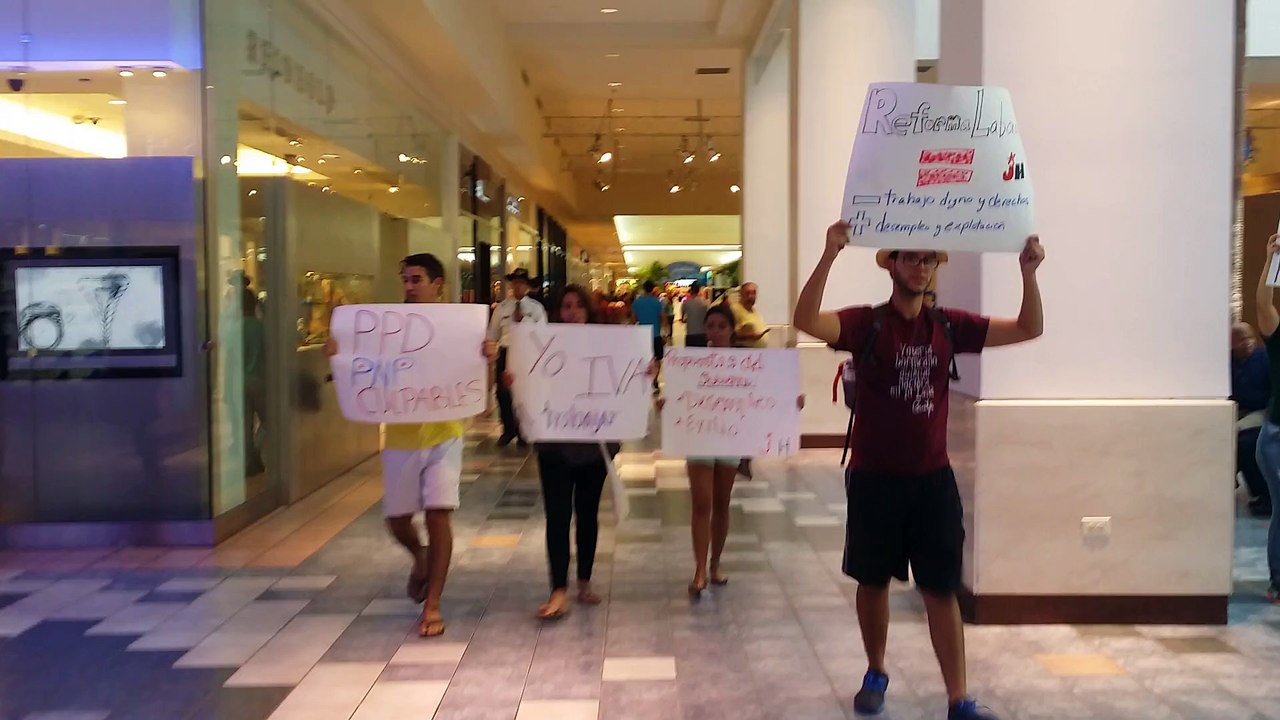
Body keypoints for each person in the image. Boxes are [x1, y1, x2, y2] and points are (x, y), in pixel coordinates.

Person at [794, 221, 1045, 720]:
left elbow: (1028, 328)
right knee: (872, 581)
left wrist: (1028, 273)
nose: (921, 266)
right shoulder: (867, 324)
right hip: (874, 478)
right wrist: (828, 254)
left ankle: (958, 698)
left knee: (940, 587)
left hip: (932, 481)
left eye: (928, 259)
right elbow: (806, 319)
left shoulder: (949, 326)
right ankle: (876, 669)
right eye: (911, 258)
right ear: (892, 265)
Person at [326, 253, 497, 638]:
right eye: (404, 279)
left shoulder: (459, 327)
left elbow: (480, 393)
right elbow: (359, 367)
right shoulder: (384, 328)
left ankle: (433, 602)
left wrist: (488, 359)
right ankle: (419, 554)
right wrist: (338, 357)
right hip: (401, 433)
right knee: (398, 520)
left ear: (438, 284)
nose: (408, 286)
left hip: (444, 432)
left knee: (439, 514)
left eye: (416, 279)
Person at [659, 304, 803, 598]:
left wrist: (791, 401)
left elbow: (767, 394)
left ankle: (715, 564)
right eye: (710, 326)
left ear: (732, 330)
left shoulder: (747, 362)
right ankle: (699, 568)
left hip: (730, 439)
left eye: (721, 326)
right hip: (698, 437)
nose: (714, 331)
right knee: (702, 502)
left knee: (722, 503)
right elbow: (676, 395)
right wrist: (665, 404)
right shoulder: (692, 363)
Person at [503, 285, 618, 620]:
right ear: (557, 311)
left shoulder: (605, 345)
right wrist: (516, 381)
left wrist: (645, 376)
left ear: (589, 310)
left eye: (579, 306)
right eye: (566, 306)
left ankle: (583, 580)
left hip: (593, 445)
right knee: (557, 515)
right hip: (553, 443)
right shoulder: (542, 347)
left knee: (587, 514)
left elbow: (622, 380)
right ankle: (558, 589)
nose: (572, 312)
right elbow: (529, 386)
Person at [487, 267, 548, 447]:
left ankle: (524, 431)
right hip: (506, 352)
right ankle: (508, 430)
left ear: (527, 286)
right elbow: (493, 332)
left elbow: (543, 333)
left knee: (525, 392)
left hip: (527, 353)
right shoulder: (502, 308)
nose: (518, 286)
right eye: (515, 282)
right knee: (503, 394)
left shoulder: (536, 309)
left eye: (522, 283)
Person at [1252, 233, 1280, 604]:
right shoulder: (1278, 335)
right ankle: (1278, 581)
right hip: (1276, 437)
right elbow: (1262, 301)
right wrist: (1271, 259)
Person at [1232, 321, 1272, 517]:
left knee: (1241, 439)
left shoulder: (1264, 359)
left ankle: (1261, 494)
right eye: (1240, 340)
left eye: (1249, 338)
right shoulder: (1228, 362)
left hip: (1260, 411)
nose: (1246, 343)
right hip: (1237, 409)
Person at [241, 288, 267, 477]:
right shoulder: (261, 327)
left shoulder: (233, 328)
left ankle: (249, 462)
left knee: (245, 425)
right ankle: (256, 452)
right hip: (259, 379)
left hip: (239, 380)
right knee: (269, 421)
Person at [632, 281, 665, 389]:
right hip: (655, 334)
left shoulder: (637, 302)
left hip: (642, 335)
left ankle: (645, 378)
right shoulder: (657, 302)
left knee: (644, 358)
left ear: (644, 289)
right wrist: (665, 332)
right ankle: (655, 379)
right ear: (652, 289)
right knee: (658, 358)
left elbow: (633, 319)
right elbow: (663, 318)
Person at [732, 282, 769, 349]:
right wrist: (750, 336)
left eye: (753, 293)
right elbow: (730, 335)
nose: (751, 296)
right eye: (747, 293)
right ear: (741, 295)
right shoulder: (735, 310)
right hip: (744, 353)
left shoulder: (754, 310)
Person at [683, 282, 710, 347]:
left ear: (691, 290)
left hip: (691, 334)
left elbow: (683, 318)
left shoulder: (686, 303)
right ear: (698, 291)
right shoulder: (705, 303)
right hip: (702, 334)